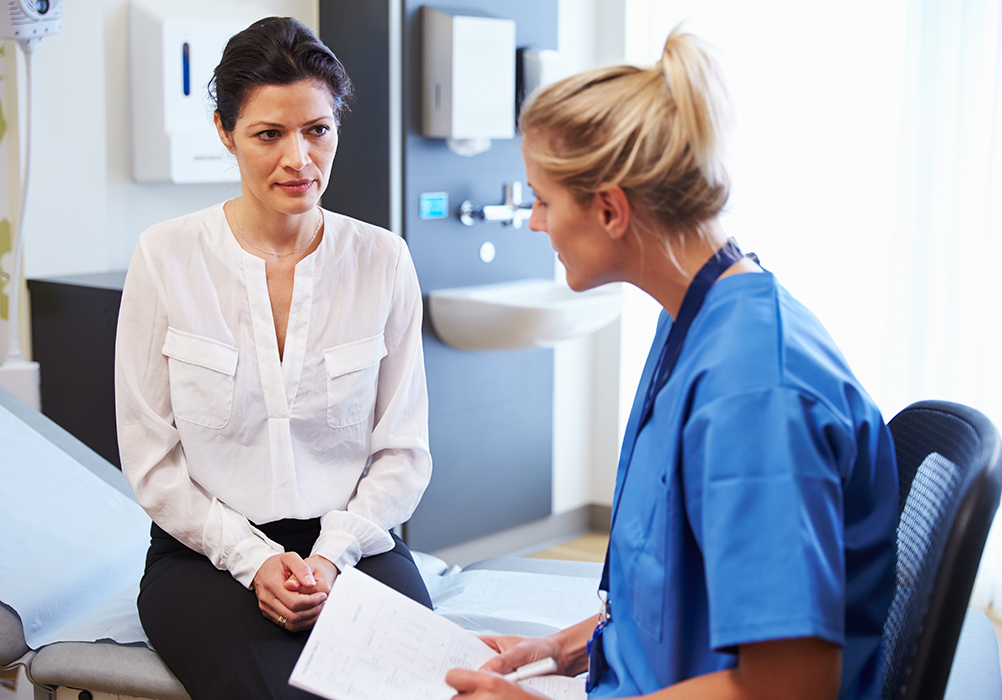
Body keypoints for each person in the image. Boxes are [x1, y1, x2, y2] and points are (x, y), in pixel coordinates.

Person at [446, 26, 898, 700]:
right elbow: (672, 577)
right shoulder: (698, 319)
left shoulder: (754, 392)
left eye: (542, 199)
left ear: (609, 210)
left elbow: (790, 687)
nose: (535, 223)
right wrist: (561, 648)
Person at [115, 17, 432, 700]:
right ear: (226, 133)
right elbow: (151, 457)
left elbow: (402, 451)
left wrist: (330, 555)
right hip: (204, 551)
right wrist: (254, 558)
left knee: (418, 687)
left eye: (318, 130)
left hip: (353, 545)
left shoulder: (383, 260)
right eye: (269, 134)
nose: (300, 158)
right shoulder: (164, 257)